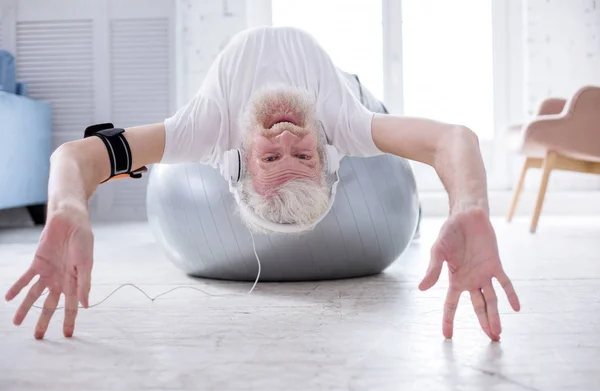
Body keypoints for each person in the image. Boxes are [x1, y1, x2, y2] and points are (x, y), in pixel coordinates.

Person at [4, 26, 520, 341]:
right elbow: (452, 139)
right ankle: (415, 225)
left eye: (273, 155)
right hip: (354, 84)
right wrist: (468, 205)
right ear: (328, 157)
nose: (289, 132)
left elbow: (76, 156)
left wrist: (68, 206)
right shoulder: (342, 123)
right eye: (302, 154)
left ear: (237, 164)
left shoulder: (204, 130)